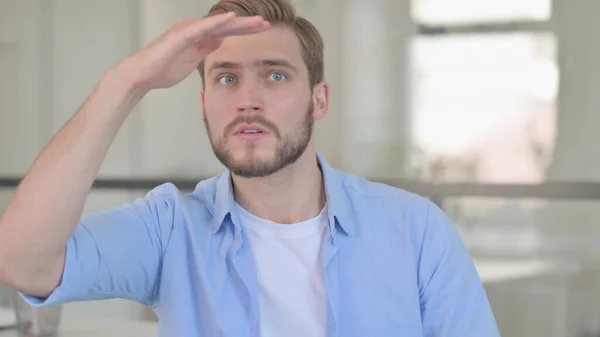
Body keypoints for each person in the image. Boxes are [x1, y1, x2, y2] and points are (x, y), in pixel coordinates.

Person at [0, 0, 500, 336]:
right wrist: (127, 82)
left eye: (275, 75)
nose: (248, 100)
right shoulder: (170, 230)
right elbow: (22, 262)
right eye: (226, 79)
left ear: (317, 99)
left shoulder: (415, 231)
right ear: (203, 103)